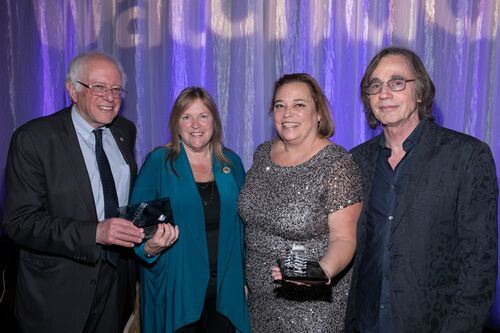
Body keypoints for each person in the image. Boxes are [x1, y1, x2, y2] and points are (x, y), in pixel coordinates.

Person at [345, 46, 499, 333]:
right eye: (374, 85)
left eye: (397, 82)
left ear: (421, 91)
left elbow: (480, 263)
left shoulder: (466, 156)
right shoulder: (356, 160)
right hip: (365, 324)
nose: (384, 93)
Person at [3, 52, 144, 332]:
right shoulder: (34, 139)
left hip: (115, 285)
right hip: (57, 292)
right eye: (99, 87)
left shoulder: (124, 131)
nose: (110, 97)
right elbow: (19, 223)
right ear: (72, 90)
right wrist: (95, 233)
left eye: (116, 89)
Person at [238, 73, 363, 332]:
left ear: (318, 113)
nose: (287, 113)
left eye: (299, 104)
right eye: (280, 105)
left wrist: (321, 272)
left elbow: (345, 239)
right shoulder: (262, 154)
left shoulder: (336, 164)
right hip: (260, 302)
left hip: (311, 309)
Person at [130, 87, 250, 333]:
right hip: (177, 286)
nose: (195, 124)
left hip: (225, 289)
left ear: (214, 122)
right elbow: (135, 225)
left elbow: (245, 225)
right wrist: (150, 248)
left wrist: (247, 279)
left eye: (203, 116)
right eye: (187, 117)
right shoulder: (158, 163)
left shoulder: (231, 162)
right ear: (177, 124)